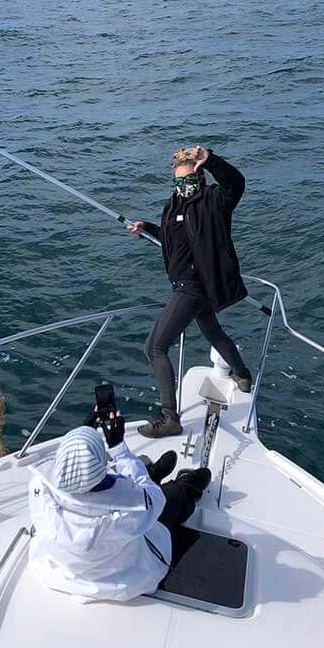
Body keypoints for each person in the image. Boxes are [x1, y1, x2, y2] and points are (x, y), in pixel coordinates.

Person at [129, 145, 252, 438]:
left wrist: (211, 160)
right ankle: (243, 375)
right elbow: (173, 239)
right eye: (180, 181)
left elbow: (237, 183)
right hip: (186, 286)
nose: (186, 186)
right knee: (213, 333)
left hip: (193, 288)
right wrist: (147, 229)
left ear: (200, 178)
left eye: (191, 180)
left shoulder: (214, 201)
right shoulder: (173, 206)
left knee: (154, 347)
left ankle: (169, 417)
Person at [28, 406, 211, 602]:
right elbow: (154, 499)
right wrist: (119, 449)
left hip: (58, 573)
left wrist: (82, 437)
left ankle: (151, 473)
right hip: (122, 579)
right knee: (173, 496)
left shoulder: (39, 489)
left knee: (141, 486)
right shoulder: (128, 513)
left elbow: (68, 466)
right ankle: (184, 484)